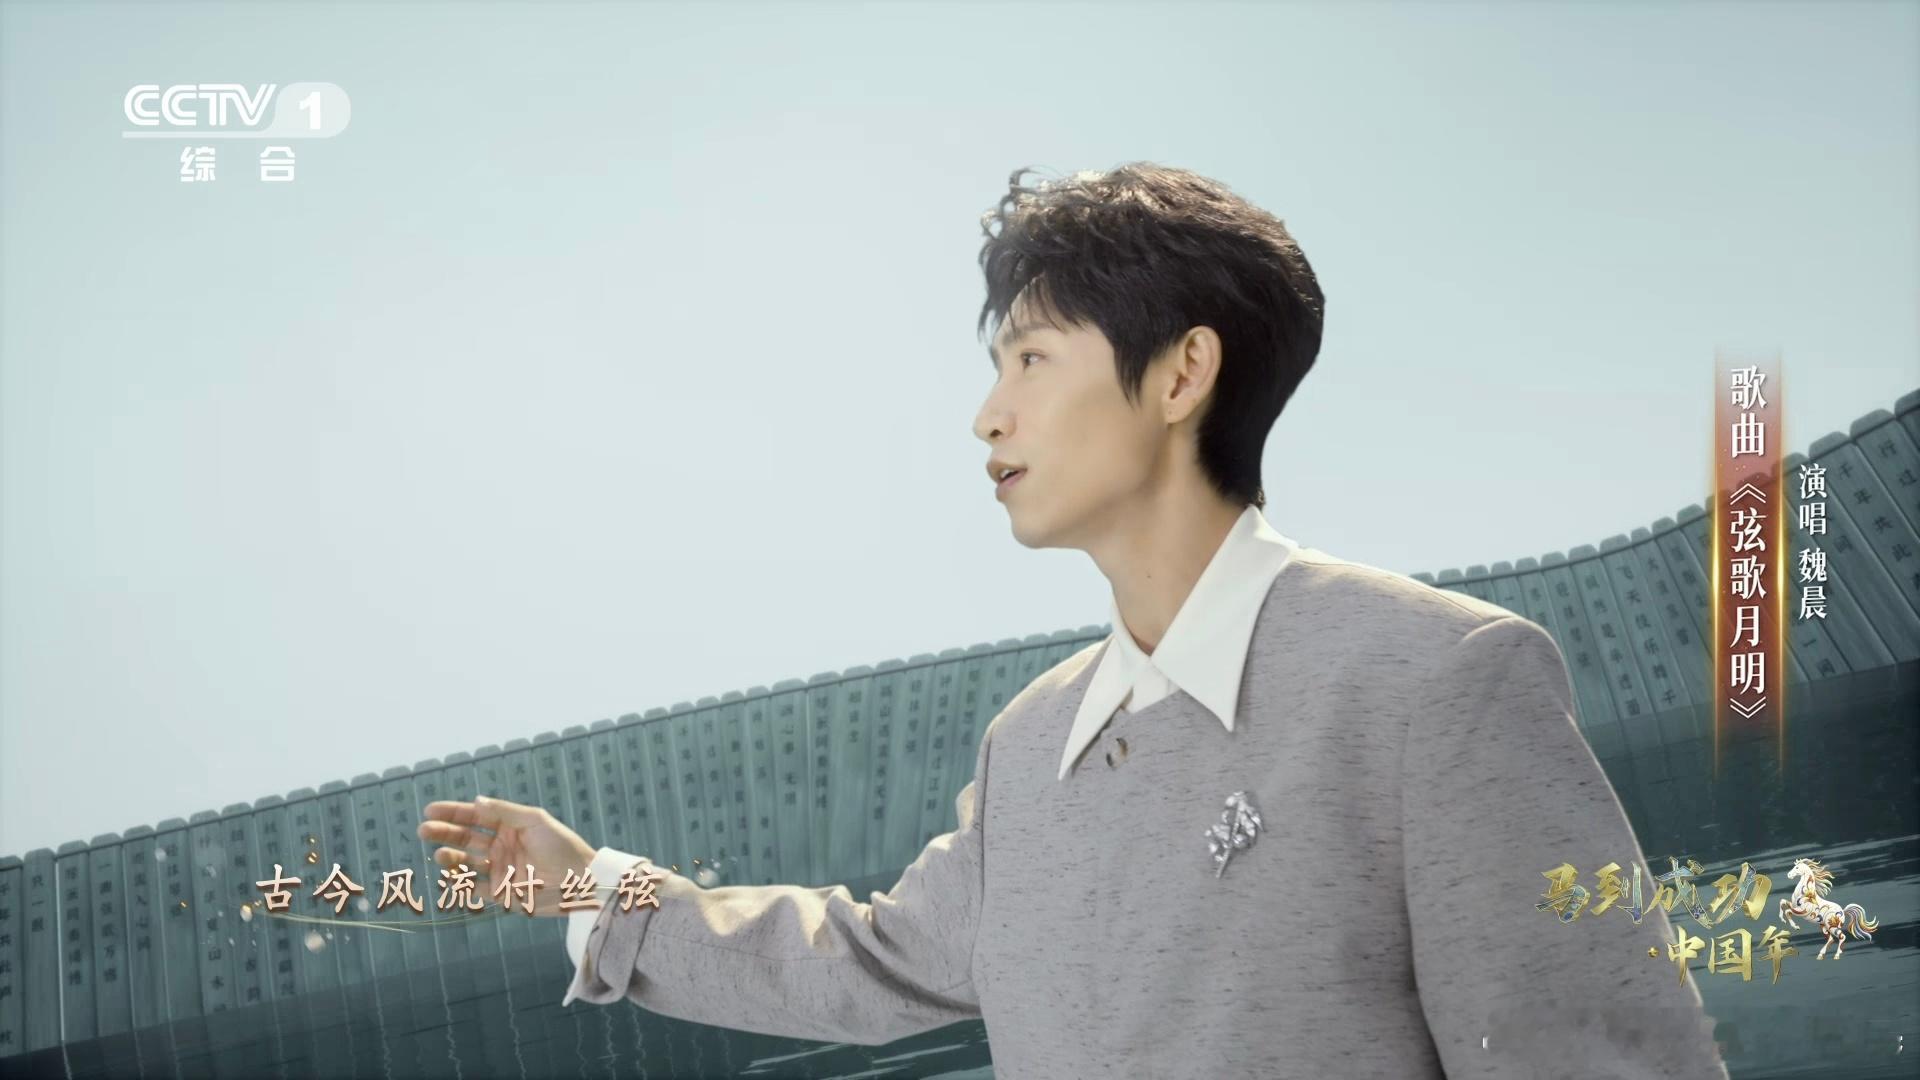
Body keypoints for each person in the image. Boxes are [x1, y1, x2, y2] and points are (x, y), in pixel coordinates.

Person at [418, 163, 1729, 1078]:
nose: (988, 415)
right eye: (996, 369)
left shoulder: (1438, 679)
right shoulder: (1032, 745)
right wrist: (587, 887)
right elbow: (869, 960)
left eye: (1032, 360)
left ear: (1183, 371)